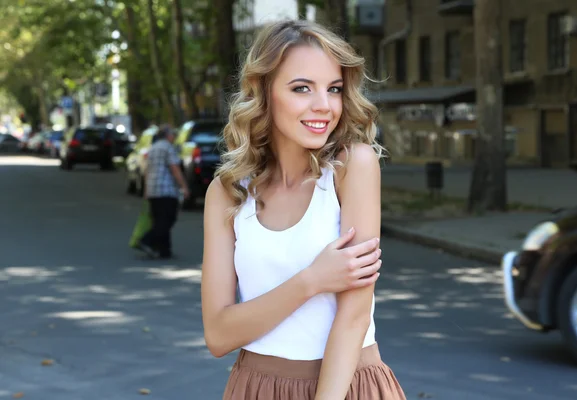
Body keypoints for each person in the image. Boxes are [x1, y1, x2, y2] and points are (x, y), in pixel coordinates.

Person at [201, 20, 406, 400]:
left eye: (333, 89)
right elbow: (218, 335)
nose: (323, 106)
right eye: (301, 89)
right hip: (255, 387)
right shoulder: (227, 193)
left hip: (347, 385)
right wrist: (312, 280)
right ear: (264, 92)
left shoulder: (352, 168)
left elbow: (354, 317)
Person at [136, 124, 189, 259]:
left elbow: (147, 170)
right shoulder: (167, 147)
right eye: (172, 134)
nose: (174, 137)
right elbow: (175, 168)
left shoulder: (152, 148)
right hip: (166, 190)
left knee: (159, 219)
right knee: (168, 219)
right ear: (167, 135)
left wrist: (146, 190)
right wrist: (184, 186)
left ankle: (164, 250)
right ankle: (146, 240)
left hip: (153, 190)